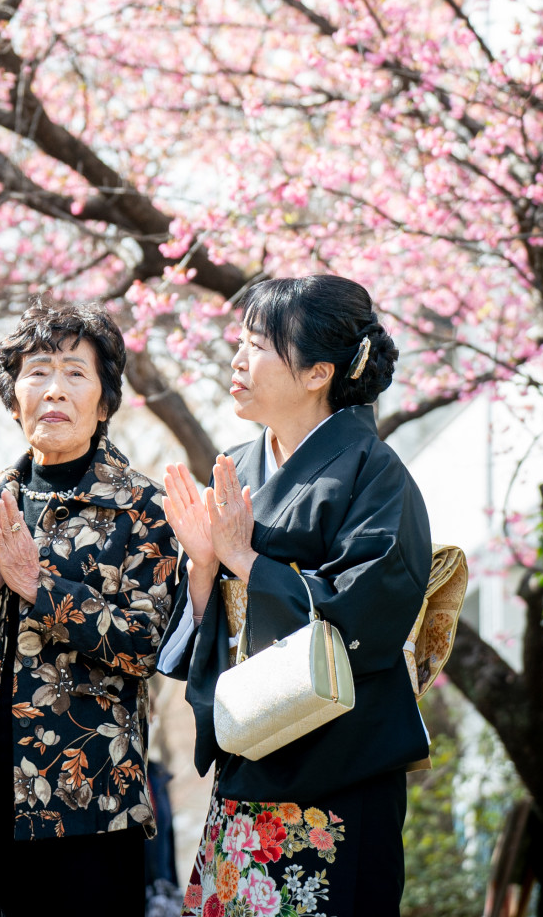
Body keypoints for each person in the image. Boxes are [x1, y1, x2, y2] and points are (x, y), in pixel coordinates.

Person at [156, 274, 431, 917]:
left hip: (339, 774)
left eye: (259, 345)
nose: (237, 359)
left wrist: (247, 561)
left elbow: (367, 608)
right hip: (249, 762)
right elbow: (208, 627)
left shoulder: (374, 471)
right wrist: (202, 567)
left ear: (317, 373)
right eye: (240, 342)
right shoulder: (237, 465)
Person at [0, 300, 178, 917]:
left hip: (92, 798)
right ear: (14, 393)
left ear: (105, 400)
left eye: (75, 372)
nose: (54, 389)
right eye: (37, 371)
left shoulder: (143, 507)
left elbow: (147, 643)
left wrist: (37, 586)